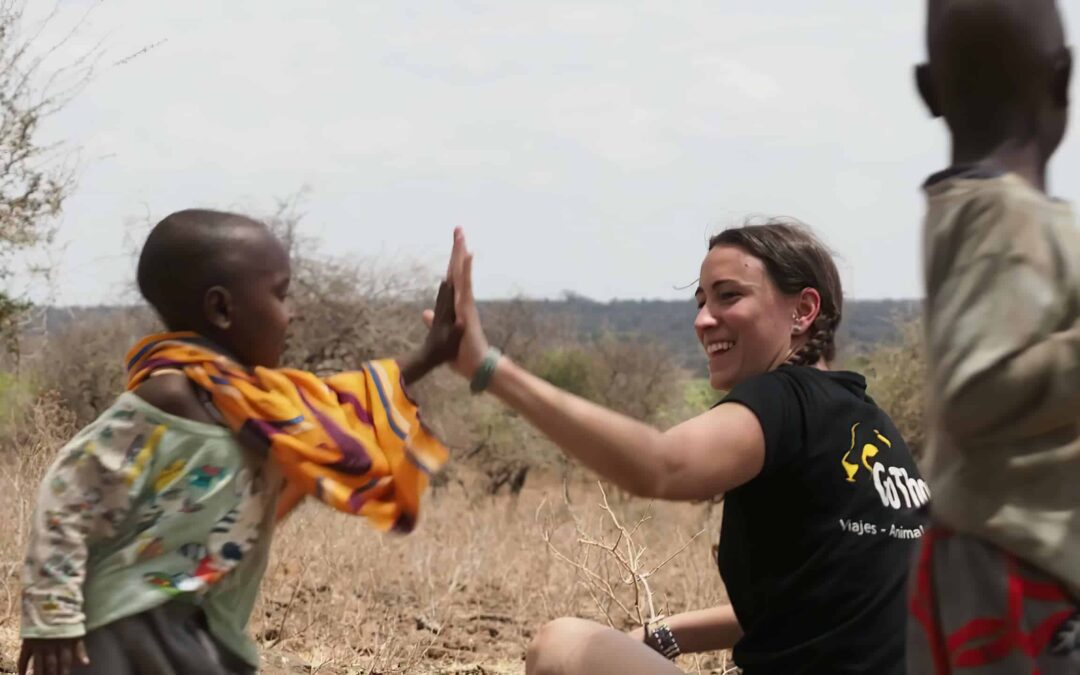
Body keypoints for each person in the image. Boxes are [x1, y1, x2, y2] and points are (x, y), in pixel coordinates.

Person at [437, 221, 927, 674]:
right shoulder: (875, 428)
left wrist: (488, 369)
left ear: (803, 310)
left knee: (560, 645)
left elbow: (660, 466)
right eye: (700, 302)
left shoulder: (781, 399)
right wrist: (666, 634)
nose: (703, 321)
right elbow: (828, 601)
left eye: (728, 296)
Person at [18, 209, 461, 675]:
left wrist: (430, 354)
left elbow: (336, 405)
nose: (293, 312)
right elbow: (67, 497)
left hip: (205, 630)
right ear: (222, 309)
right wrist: (52, 620)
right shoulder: (169, 396)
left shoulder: (258, 403)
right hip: (129, 625)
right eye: (281, 294)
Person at [909, 0, 1080, 671]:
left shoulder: (979, 214)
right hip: (1015, 577)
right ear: (1063, 76)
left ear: (928, 90)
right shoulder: (1003, 220)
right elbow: (977, 387)